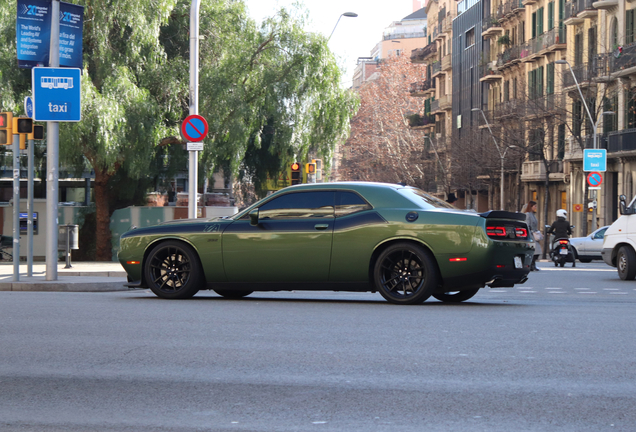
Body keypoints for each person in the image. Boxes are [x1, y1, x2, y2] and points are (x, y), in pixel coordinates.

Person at [523, 200, 541, 271]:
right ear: (531, 206)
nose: (536, 207)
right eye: (535, 206)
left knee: (537, 251)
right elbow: (527, 224)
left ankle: (532, 264)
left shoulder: (533, 214)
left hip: (535, 233)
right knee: (535, 250)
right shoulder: (528, 214)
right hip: (530, 234)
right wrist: (531, 231)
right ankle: (531, 265)